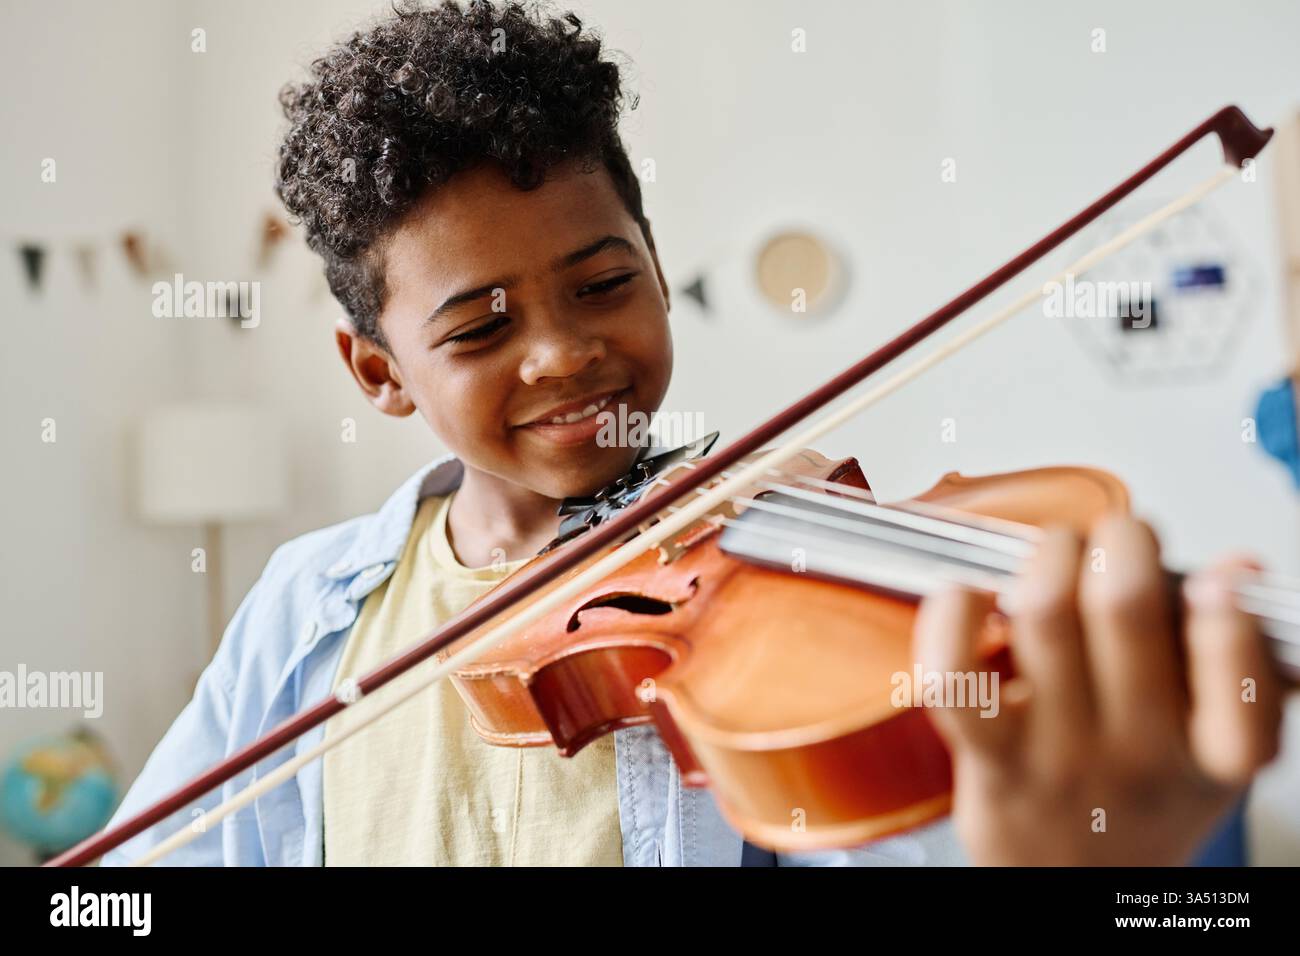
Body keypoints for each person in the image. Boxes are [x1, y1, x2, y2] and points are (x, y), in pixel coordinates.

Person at [102, 0, 1283, 866]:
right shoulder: (308, 613)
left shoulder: (788, 583)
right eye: (479, 325)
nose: (562, 350)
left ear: (660, 274)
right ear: (379, 371)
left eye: (602, 282)